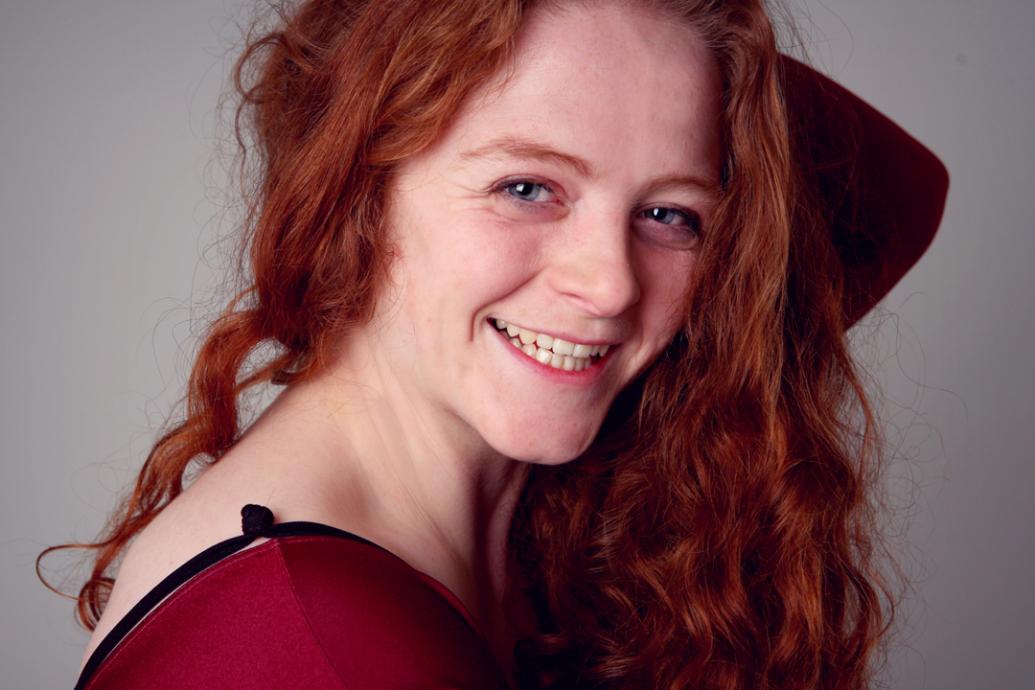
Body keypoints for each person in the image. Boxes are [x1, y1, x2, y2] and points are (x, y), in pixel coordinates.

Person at [40, 0, 949, 688]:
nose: (611, 284)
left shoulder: (524, 537)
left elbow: (888, 198)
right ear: (353, 193)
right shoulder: (306, 649)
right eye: (527, 188)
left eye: (668, 212)